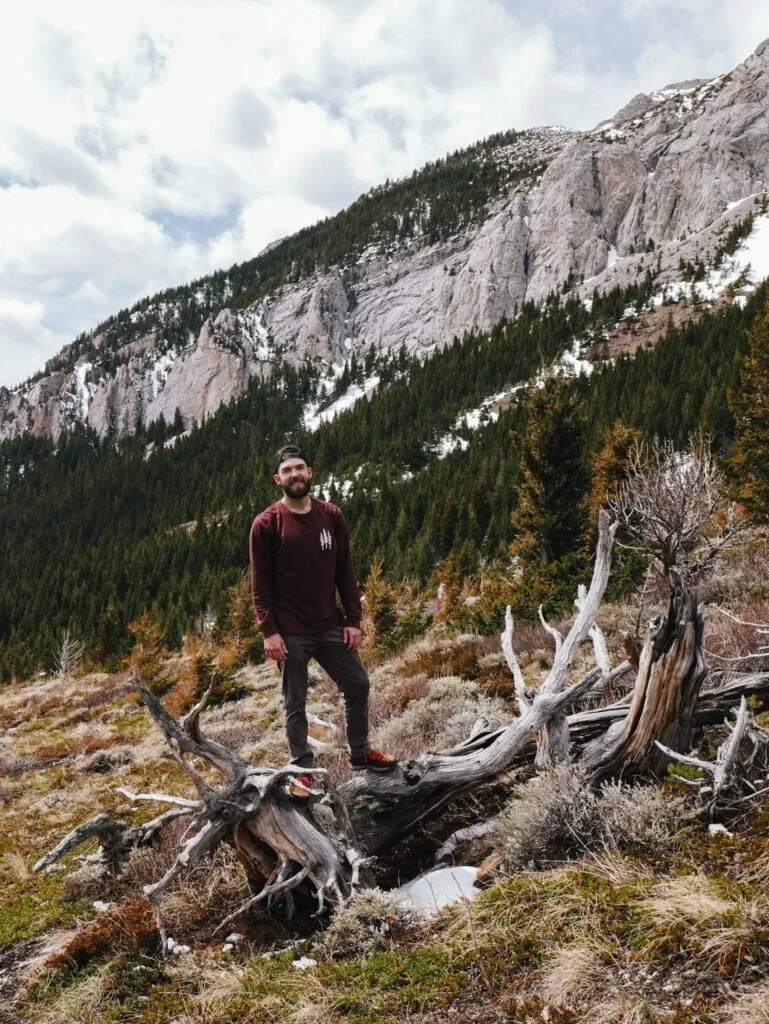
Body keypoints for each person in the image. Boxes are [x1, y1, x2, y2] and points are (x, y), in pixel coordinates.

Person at [249, 444, 396, 796]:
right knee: (295, 701)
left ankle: (360, 754)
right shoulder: (266, 524)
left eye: (299, 468)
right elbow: (260, 583)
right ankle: (302, 769)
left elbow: (345, 570)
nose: (294, 474)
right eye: (287, 471)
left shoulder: (331, 515)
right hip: (290, 631)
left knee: (357, 683)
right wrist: (269, 631)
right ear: (277, 479)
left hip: (330, 624)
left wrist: (353, 620)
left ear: (310, 472)